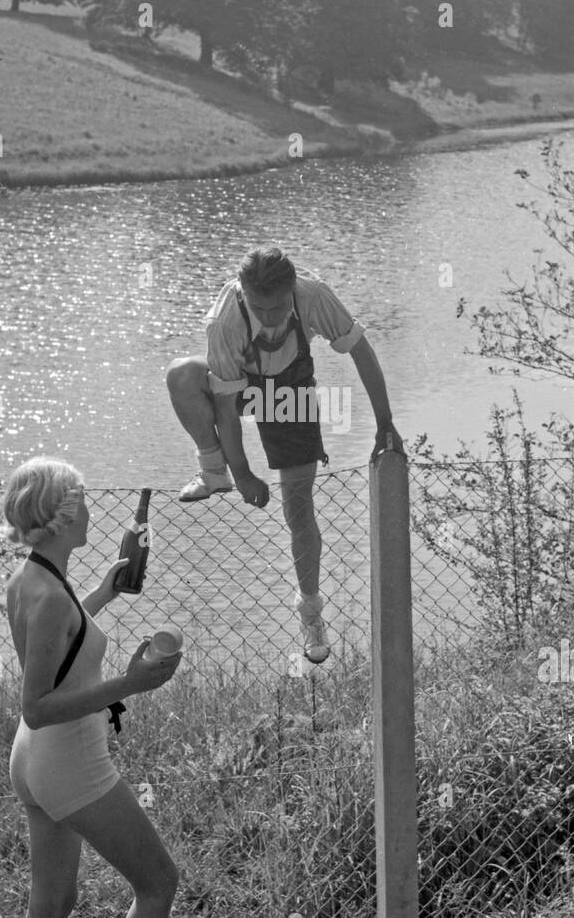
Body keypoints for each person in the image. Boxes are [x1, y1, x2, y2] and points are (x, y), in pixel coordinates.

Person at [3, 456, 181, 918]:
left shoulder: (35, 581)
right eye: (77, 499)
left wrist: (103, 591)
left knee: (50, 903)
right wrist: (130, 684)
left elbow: (62, 644)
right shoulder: (52, 597)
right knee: (158, 882)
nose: (87, 507)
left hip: (32, 764)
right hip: (68, 759)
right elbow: (39, 704)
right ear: (55, 518)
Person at [166, 245, 400, 663]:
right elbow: (225, 405)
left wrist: (384, 422)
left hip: (289, 390)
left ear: (292, 290)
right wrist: (243, 474)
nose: (270, 318)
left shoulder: (313, 295)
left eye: (278, 308)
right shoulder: (226, 318)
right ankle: (212, 472)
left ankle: (310, 611)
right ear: (243, 293)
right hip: (241, 384)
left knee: (298, 506)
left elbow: (361, 352)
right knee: (182, 374)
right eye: (260, 308)